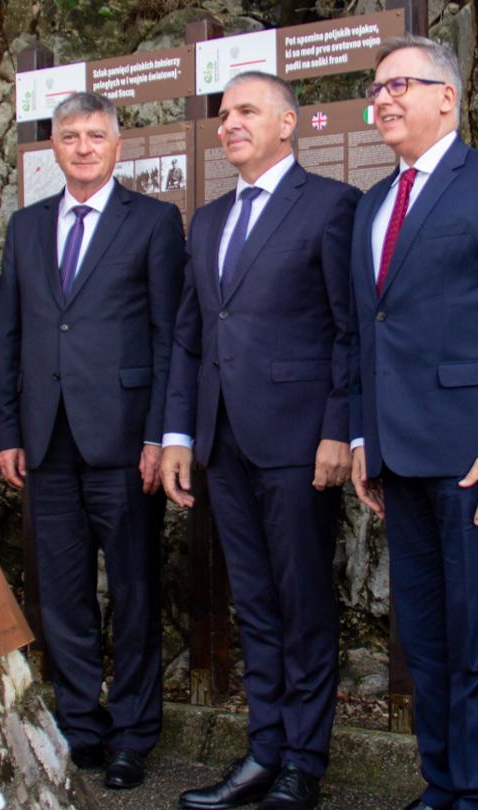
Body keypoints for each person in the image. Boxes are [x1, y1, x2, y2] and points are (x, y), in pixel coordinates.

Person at [347, 36, 478, 810]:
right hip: (399, 458)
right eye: (376, 89)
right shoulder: (373, 203)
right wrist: (365, 438)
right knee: (427, 643)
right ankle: (440, 785)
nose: (384, 99)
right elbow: (363, 334)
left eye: (401, 84)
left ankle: (476, 795)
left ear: (449, 95)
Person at [158, 71, 358, 810]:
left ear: (287, 124)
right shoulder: (206, 222)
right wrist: (178, 432)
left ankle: (305, 763)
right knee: (255, 602)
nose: (229, 122)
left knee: (303, 602)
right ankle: (263, 751)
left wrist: (339, 428)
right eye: (223, 113)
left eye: (246, 110)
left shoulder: (333, 206)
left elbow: (348, 330)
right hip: (222, 444)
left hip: (300, 442)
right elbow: (189, 337)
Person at [0, 91, 185, 790]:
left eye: (94, 135)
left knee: (132, 591)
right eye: (69, 135)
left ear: (117, 146)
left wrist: (162, 435)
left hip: (126, 441)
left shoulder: (155, 223)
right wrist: (8, 427)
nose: (81, 146)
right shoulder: (27, 225)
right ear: (54, 148)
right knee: (62, 595)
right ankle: (80, 725)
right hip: (45, 441)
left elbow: (169, 336)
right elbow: (9, 334)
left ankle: (134, 733)